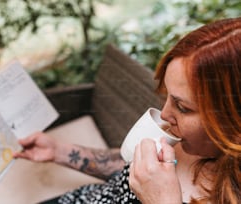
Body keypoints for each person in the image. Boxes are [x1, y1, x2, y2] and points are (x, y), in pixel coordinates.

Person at [14, 17, 241, 204]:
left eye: (182, 107)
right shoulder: (187, 141)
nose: (164, 114)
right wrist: (59, 152)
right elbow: (130, 167)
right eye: (167, 97)